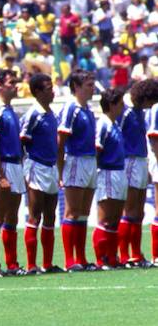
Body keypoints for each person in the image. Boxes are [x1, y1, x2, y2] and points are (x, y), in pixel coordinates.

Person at [19, 73, 62, 274]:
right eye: (48, 88)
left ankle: (47, 263)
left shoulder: (51, 113)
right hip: (37, 166)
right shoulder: (33, 114)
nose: (52, 91)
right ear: (37, 92)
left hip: (51, 167)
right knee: (34, 215)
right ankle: (30, 264)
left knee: (51, 216)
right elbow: (22, 140)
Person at [0, 69, 24, 276]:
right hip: (3, 165)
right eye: (11, 82)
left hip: (16, 165)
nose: (15, 86)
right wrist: (0, 175)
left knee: (12, 218)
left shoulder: (11, 111)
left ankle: (12, 264)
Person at [59, 69, 97, 271]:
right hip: (76, 161)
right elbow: (61, 140)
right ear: (77, 87)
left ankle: (81, 258)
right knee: (72, 212)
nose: (93, 88)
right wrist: (60, 168)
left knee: (84, 212)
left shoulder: (88, 110)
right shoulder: (70, 109)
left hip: (90, 161)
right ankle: (69, 259)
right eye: (89, 85)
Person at [119, 79, 158, 266]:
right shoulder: (125, 111)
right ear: (145, 98)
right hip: (129, 160)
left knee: (139, 212)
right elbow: (115, 134)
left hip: (141, 160)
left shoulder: (139, 112)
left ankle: (136, 253)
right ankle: (125, 254)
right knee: (130, 209)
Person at [93, 88, 127, 269]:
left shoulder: (115, 125)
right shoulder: (103, 124)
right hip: (107, 173)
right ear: (112, 105)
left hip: (119, 173)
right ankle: (101, 258)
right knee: (105, 219)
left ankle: (113, 257)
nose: (123, 107)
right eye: (120, 103)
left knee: (115, 218)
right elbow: (97, 149)